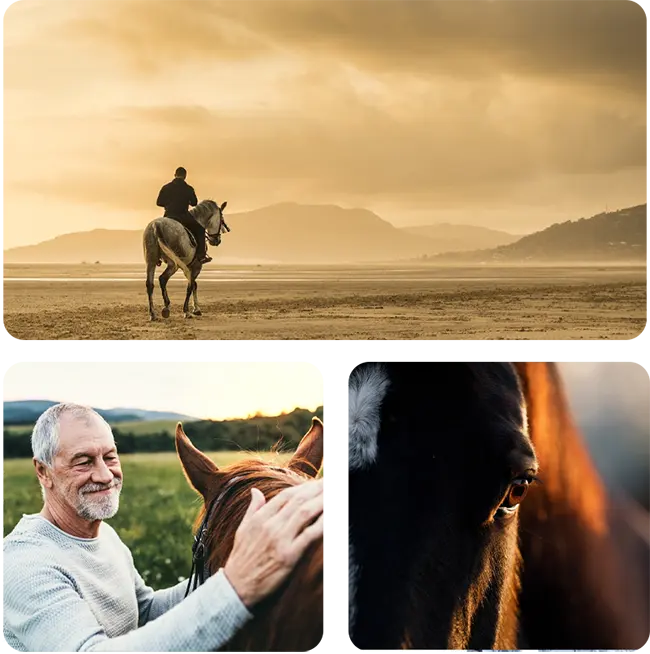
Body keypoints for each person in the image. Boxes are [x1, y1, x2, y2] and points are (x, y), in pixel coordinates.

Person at [1, 403, 327, 653]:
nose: (103, 475)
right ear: (43, 472)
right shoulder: (24, 564)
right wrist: (234, 585)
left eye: (110, 457)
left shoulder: (103, 537)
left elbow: (143, 612)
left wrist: (235, 560)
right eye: (83, 461)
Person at [156, 167, 212, 264]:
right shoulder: (188, 188)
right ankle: (201, 255)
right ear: (185, 176)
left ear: (175, 174)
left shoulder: (166, 187)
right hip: (183, 216)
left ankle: (157, 256)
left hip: (169, 216)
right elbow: (194, 203)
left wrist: (168, 204)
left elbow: (159, 202)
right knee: (200, 230)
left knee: (158, 231)